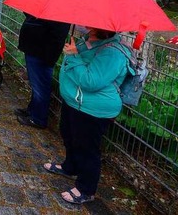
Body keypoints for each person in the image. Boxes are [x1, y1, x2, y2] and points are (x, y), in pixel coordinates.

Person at [44, 27, 131, 205]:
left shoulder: (113, 53)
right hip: (75, 103)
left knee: (87, 149)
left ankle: (86, 189)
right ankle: (70, 167)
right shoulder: (88, 40)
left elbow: (91, 81)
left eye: (92, 26)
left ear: (105, 30)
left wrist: (74, 56)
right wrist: (74, 51)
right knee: (68, 135)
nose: (87, 27)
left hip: (94, 109)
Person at [14, 14, 70, 129]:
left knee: (40, 87)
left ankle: (38, 118)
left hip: (41, 54)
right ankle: (32, 110)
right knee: (36, 85)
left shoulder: (59, 16)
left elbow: (57, 37)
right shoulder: (50, 10)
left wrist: (48, 58)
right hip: (35, 50)